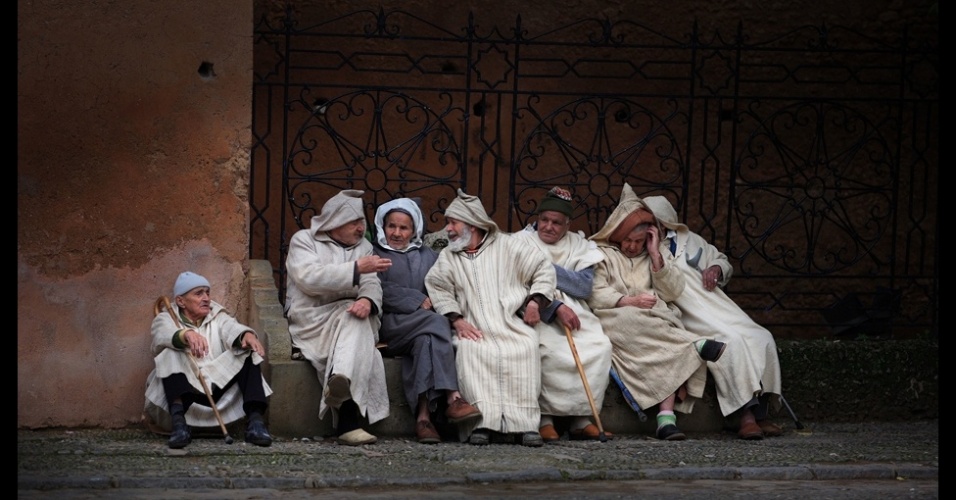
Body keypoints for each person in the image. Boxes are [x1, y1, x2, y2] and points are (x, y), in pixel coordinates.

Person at [587, 183, 727, 441]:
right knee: (634, 321)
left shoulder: (656, 254)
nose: (631, 246)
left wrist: (654, 256)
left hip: (655, 322)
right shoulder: (600, 254)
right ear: (617, 235)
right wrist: (628, 301)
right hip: (615, 315)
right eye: (627, 240)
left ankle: (666, 420)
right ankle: (694, 346)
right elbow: (594, 292)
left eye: (639, 241)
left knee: (663, 335)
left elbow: (674, 291)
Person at [642, 195, 784, 439]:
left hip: (718, 306)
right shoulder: (645, 250)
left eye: (653, 221)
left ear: (665, 221)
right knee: (731, 342)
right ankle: (745, 418)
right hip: (688, 313)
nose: (648, 227)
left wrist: (716, 269)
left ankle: (761, 414)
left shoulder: (691, 240)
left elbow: (721, 260)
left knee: (762, 337)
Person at [424, 189, 558, 447]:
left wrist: (534, 302)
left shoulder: (509, 246)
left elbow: (543, 269)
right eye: (447, 223)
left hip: (509, 324)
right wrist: (457, 319)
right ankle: (480, 425)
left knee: (525, 346)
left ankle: (526, 425)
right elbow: (437, 287)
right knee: (469, 350)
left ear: (472, 224)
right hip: (471, 326)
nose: (448, 229)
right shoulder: (448, 257)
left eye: (453, 222)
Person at [284, 189, 393, 446]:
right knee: (364, 342)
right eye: (354, 222)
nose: (360, 228)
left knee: (356, 318)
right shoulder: (304, 240)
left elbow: (371, 283)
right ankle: (348, 418)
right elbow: (309, 279)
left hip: (348, 316)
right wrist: (355, 268)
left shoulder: (364, 246)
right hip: (312, 317)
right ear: (334, 221)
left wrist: (367, 300)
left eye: (361, 222)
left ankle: (341, 383)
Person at [371, 197, 482, 444]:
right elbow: (376, 289)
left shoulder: (429, 256)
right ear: (383, 226)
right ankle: (453, 396)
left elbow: (443, 285)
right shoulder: (374, 253)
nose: (397, 233)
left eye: (404, 228)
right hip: (391, 326)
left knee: (426, 342)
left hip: (422, 328)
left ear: (415, 230)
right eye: (392, 226)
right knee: (439, 323)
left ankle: (423, 419)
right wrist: (415, 299)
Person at [513, 187, 614, 442]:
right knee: (546, 348)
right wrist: (553, 306)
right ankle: (544, 419)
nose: (548, 227)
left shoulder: (580, 245)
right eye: (544, 220)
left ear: (567, 225)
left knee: (598, 346)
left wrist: (541, 267)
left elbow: (582, 286)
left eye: (556, 223)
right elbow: (515, 284)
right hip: (533, 307)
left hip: (576, 309)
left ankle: (580, 418)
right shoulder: (519, 242)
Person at [144, 271, 274, 449]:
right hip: (186, 395)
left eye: (207, 292)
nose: (206, 298)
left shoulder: (217, 315)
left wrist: (246, 334)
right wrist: (185, 334)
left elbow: (231, 327)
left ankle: (256, 423)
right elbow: (161, 335)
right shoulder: (165, 318)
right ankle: (179, 426)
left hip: (217, 389)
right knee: (169, 353)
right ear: (181, 301)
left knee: (247, 351)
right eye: (198, 293)